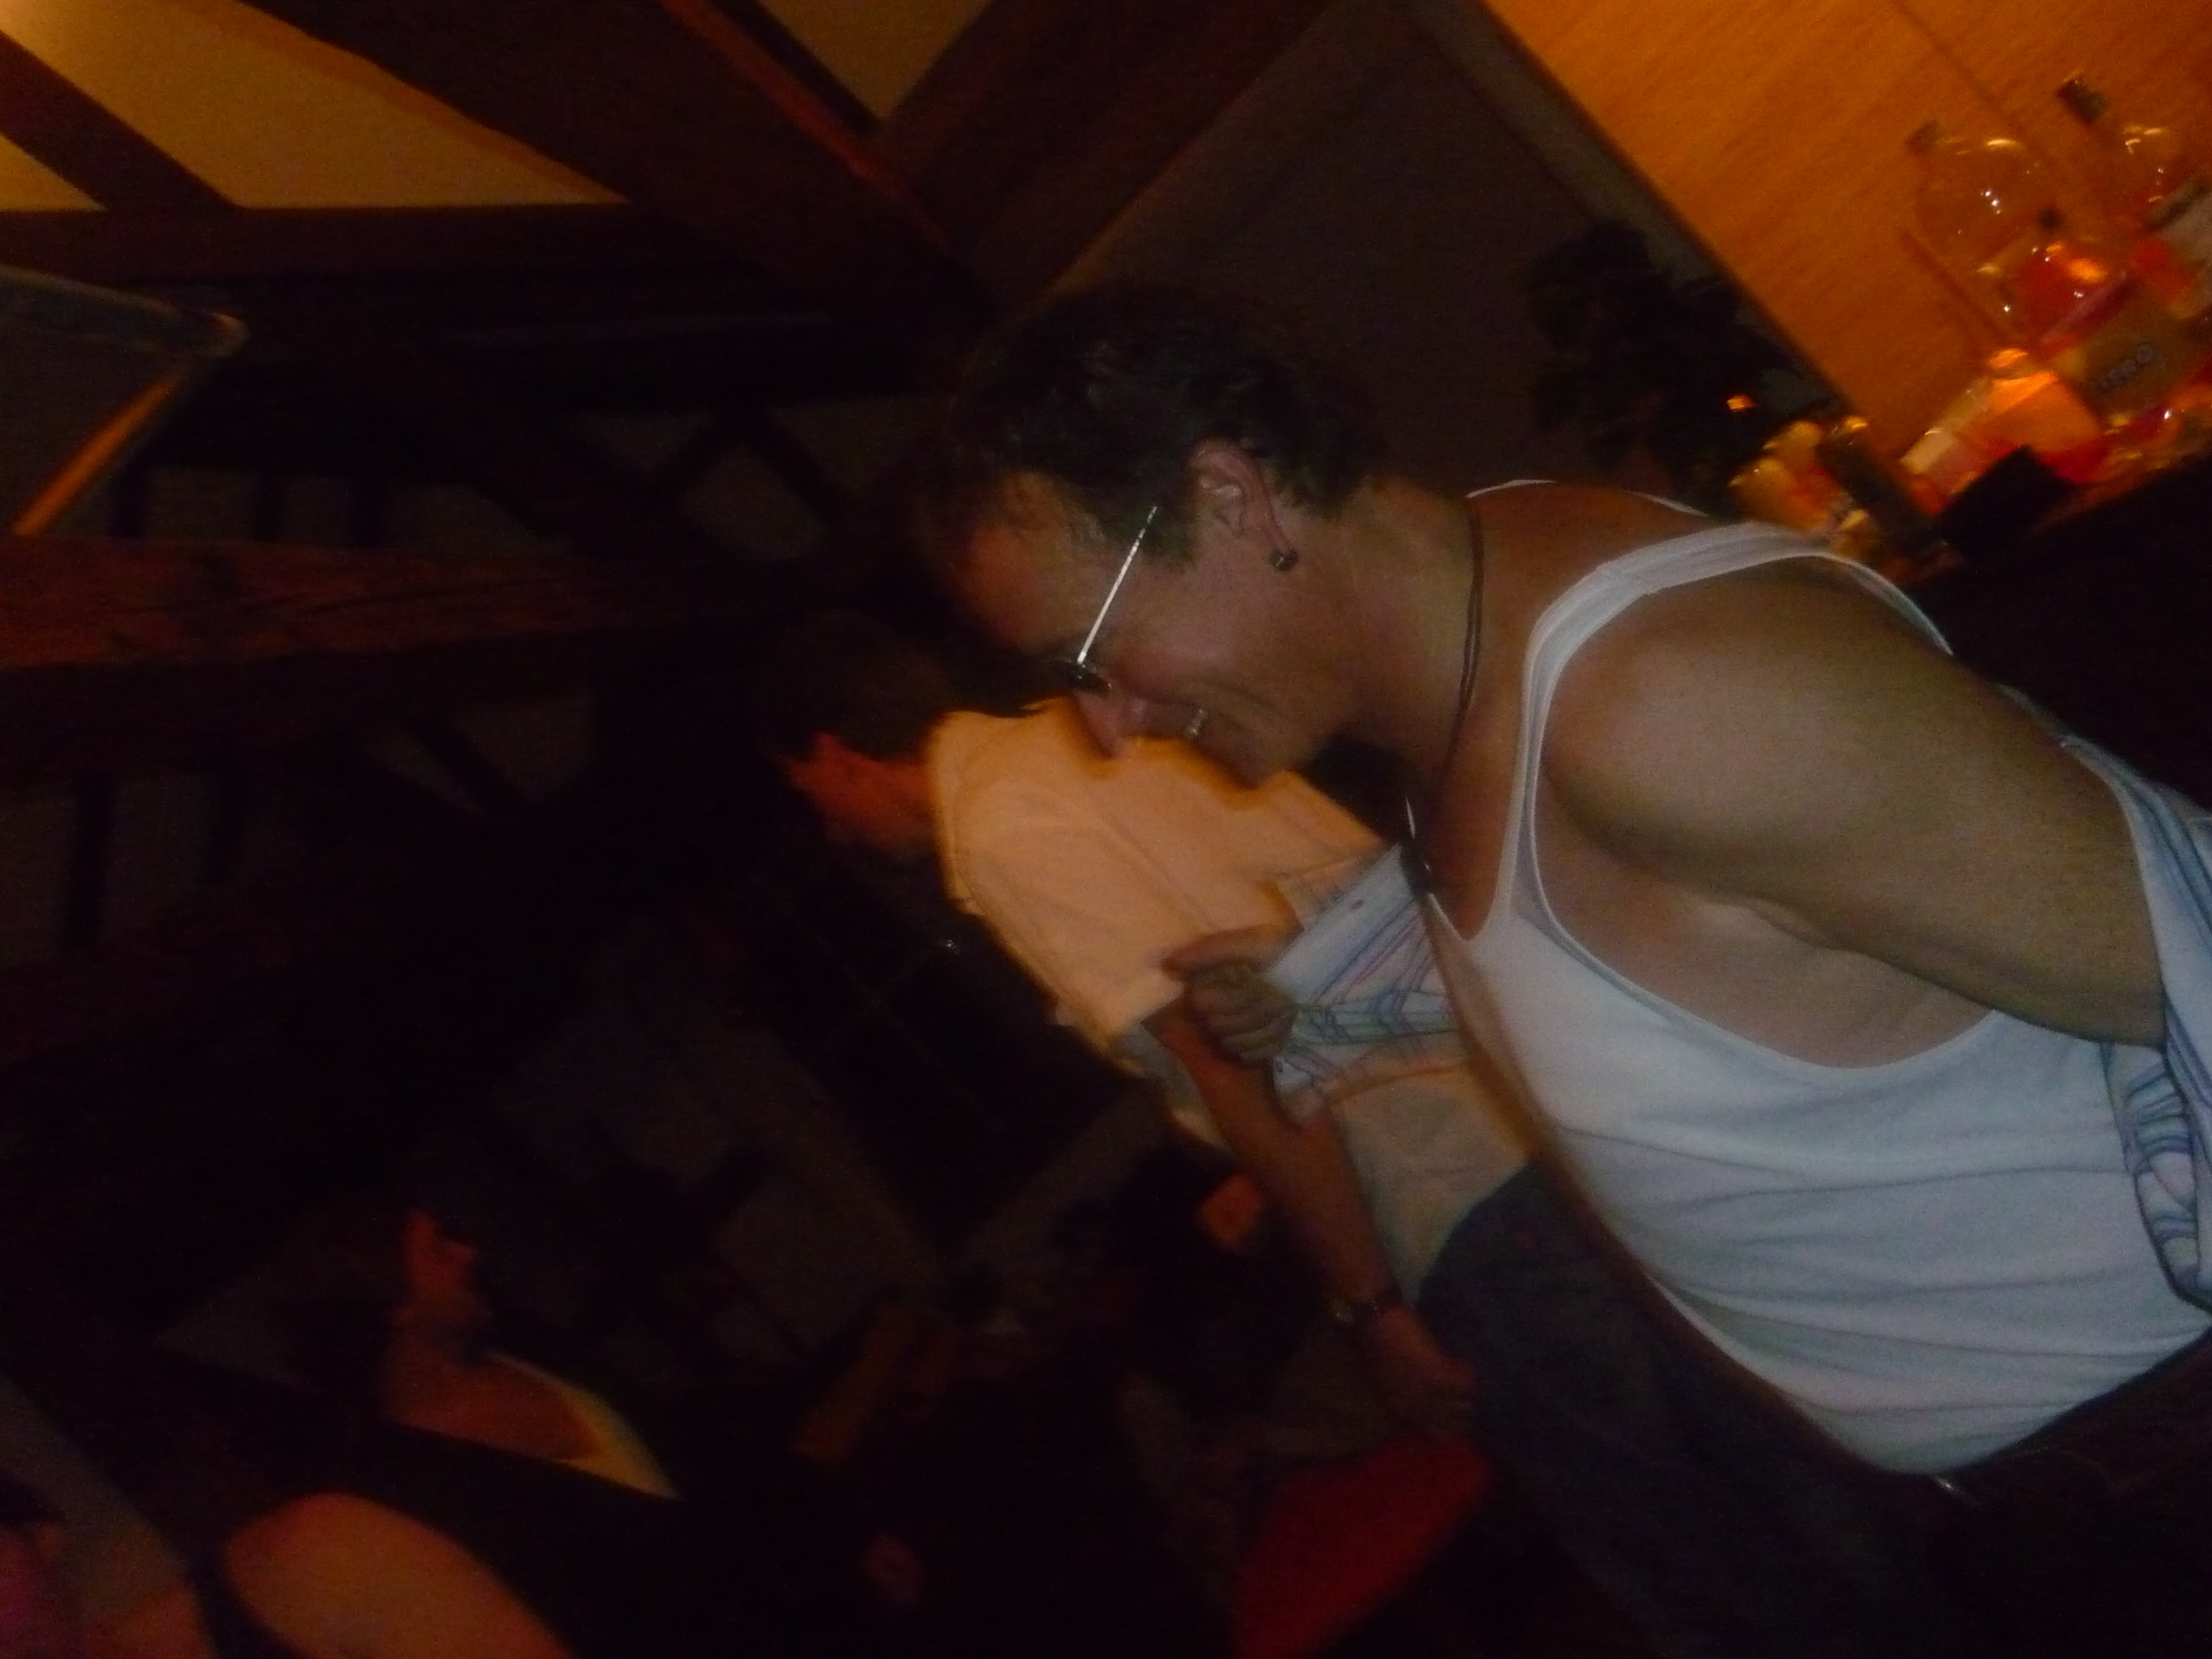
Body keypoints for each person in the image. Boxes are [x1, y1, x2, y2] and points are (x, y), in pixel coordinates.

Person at [905, 282, 2212, 1655]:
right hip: (2068, 1491)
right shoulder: (1470, 682)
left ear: (1230, 497)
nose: (1107, 727)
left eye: (1092, 657)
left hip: (2162, 1459)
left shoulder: (1658, 701)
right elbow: (1692, 932)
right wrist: (1333, 985)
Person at [750, 610, 1979, 1657]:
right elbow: (1344, 910)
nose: (832, 832)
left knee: (1711, 1574)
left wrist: (1367, 1307)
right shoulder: (1108, 735)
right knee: (1796, 1480)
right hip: (1543, 1108)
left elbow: (1227, 1057)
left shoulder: (1002, 829)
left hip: (1464, 1203)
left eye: (812, 799)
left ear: (838, 754)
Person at [107, 1195, 873, 1659]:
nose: (468, 1253)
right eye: (437, 1251)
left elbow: (693, 1461)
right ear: (396, 1307)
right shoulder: (406, 1497)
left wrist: (837, 1534)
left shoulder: (528, 1349)